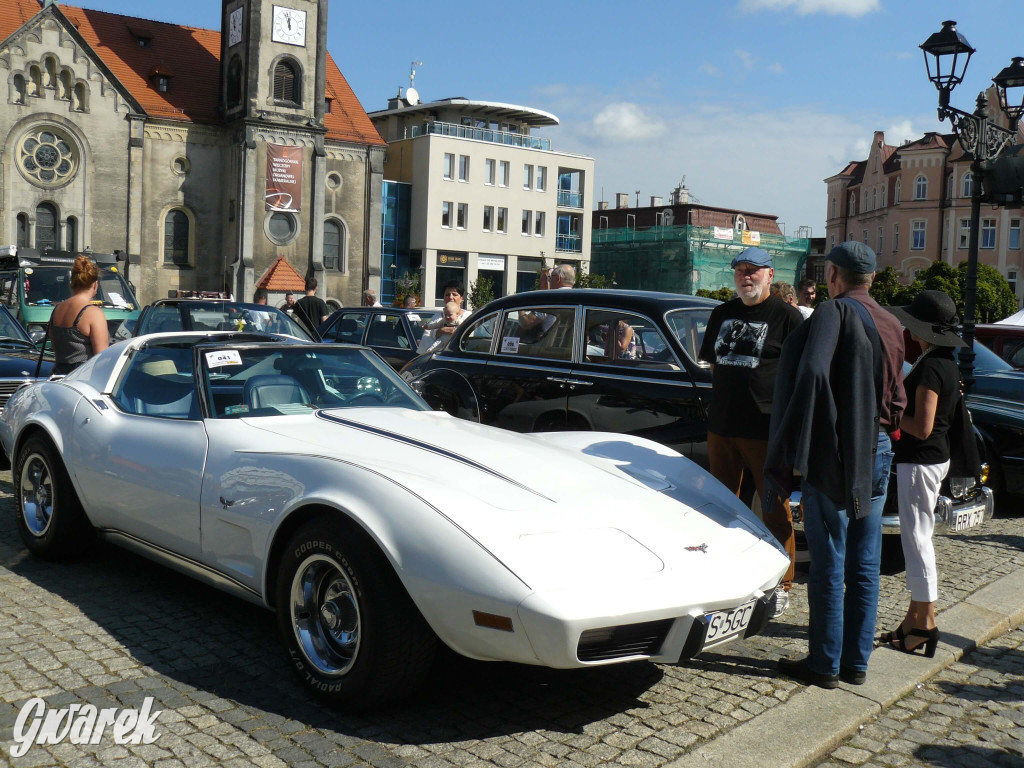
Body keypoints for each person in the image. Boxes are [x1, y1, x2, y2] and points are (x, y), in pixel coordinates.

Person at [767, 241, 906, 689]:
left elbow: (810, 373)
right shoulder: (891, 321)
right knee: (866, 562)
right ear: (873, 279)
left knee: (829, 561)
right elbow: (898, 396)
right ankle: (856, 664)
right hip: (879, 449)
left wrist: (798, 436)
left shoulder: (832, 312)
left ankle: (824, 664)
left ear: (833, 276)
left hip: (836, 454)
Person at [698, 247, 803, 616]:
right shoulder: (721, 313)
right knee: (721, 506)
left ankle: (783, 583)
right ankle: (727, 576)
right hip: (723, 426)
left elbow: (801, 374)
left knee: (775, 508)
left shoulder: (788, 317)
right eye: (740, 270)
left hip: (765, 429)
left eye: (753, 270)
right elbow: (714, 365)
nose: (746, 276)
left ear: (770, 275)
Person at [877, 291, 965, 658]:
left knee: (917, 542)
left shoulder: (930, 366)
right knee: (919, 540)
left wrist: (889, 419)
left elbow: (923, 426)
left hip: (920, 461)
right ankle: (915, 619)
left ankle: (925, 623)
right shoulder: (946, 361)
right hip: (932, 460)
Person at [50, 255, 109, 375]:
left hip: (58, 376)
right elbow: (101, 359)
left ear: (72, 283)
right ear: (95, 285)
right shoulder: (93, 313)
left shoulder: (57, 310)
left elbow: (56, 348)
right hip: (81, 378)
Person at [420, 281, 470, 349]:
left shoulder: (468, 316)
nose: (450, 297)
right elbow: (427, 339)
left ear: (461, 298)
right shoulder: (437, 316)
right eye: (447, 295)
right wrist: (441, 330)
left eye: (454, 294)